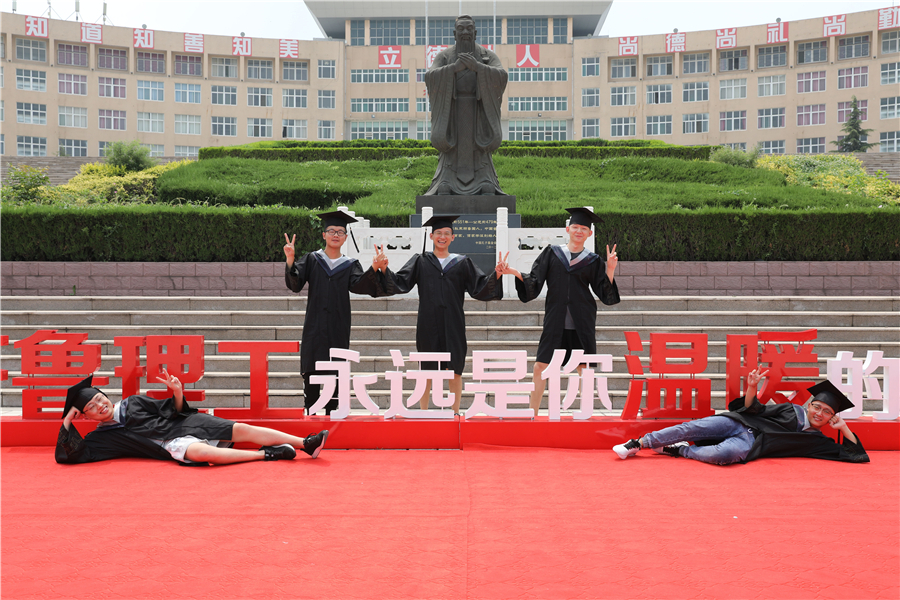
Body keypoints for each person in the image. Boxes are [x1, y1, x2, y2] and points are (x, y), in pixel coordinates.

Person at [497, 207, 620, 416]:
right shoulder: (552, 253)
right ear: (567, 229)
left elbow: (605, 293)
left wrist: (610, 268)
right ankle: (533, 414)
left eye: (583, 228)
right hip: (555, 321)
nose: (579, 231)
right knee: (540, 366)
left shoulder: (593, 260)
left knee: (584, 369)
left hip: (582, 322)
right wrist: (514, 272)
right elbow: (534, 280)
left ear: (590, 233)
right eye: (575, 227)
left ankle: (585, 414)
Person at [56, 373, 329, 466]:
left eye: (99, 399)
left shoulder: (132, 402)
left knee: (241, 428)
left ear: (106, 395)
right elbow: (70, 455)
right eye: (91, 407)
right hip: (170, 445)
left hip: (185, 424)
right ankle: (267, 454)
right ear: (86, 416)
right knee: (202, 454)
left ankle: (305, 443)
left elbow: (173, 410)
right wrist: (68, 420)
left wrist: (177, 392)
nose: (100, 406)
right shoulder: (101, 437)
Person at [613, 368, 870, 465]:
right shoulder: (791, 410)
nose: (820, 414)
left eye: (827, 412)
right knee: (691, 427)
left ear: (832, 417)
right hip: (741, 422)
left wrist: (844, 428)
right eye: (818, 407)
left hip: (751, 445)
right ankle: (639, 443)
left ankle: (679, 450)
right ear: (809, 404)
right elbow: (756, 409)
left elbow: (857, 456)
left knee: (723, 456)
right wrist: (751, 389)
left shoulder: (818, 441)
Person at [382, 215, 503, 414]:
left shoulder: (462, 263)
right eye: (438, 233)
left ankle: (455, 412)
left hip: (454, 323)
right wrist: (384, 268)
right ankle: (423, 413)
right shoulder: (421, 261)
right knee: (426, 371)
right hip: (428, 324)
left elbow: (479, 286)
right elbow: (401, 282)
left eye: (447, 233)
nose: (442, 237)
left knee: (455, 369)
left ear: (453, 237)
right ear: (431, 236)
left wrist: (496, 274)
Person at [284, 210, 389, 414]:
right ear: (324, 235)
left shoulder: (350, 264)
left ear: (345, 237)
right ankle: (310, 418)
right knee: (312, 372)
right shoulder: (313, 259)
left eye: (340, 232)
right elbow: (295, 284)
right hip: (314, 327)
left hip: (338, 327)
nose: (335, 235)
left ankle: (332, 420)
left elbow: (360, 285)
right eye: (331, 231)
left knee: (335, 374)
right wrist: (290, 259)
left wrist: (374, 267)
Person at [423, 15, 508, 196]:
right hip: (452, 112)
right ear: (454, 33)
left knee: (479, 149)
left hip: (479, 111)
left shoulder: (486, 56)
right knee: (452, 149)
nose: (465, 32)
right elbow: (430, 76)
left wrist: (478, 67)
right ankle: (446, 180)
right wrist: (453, 68)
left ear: (475, 33)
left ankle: (485, 180)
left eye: (469, 28)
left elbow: (501, 75)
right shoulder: (445, 56)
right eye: (461, 29)